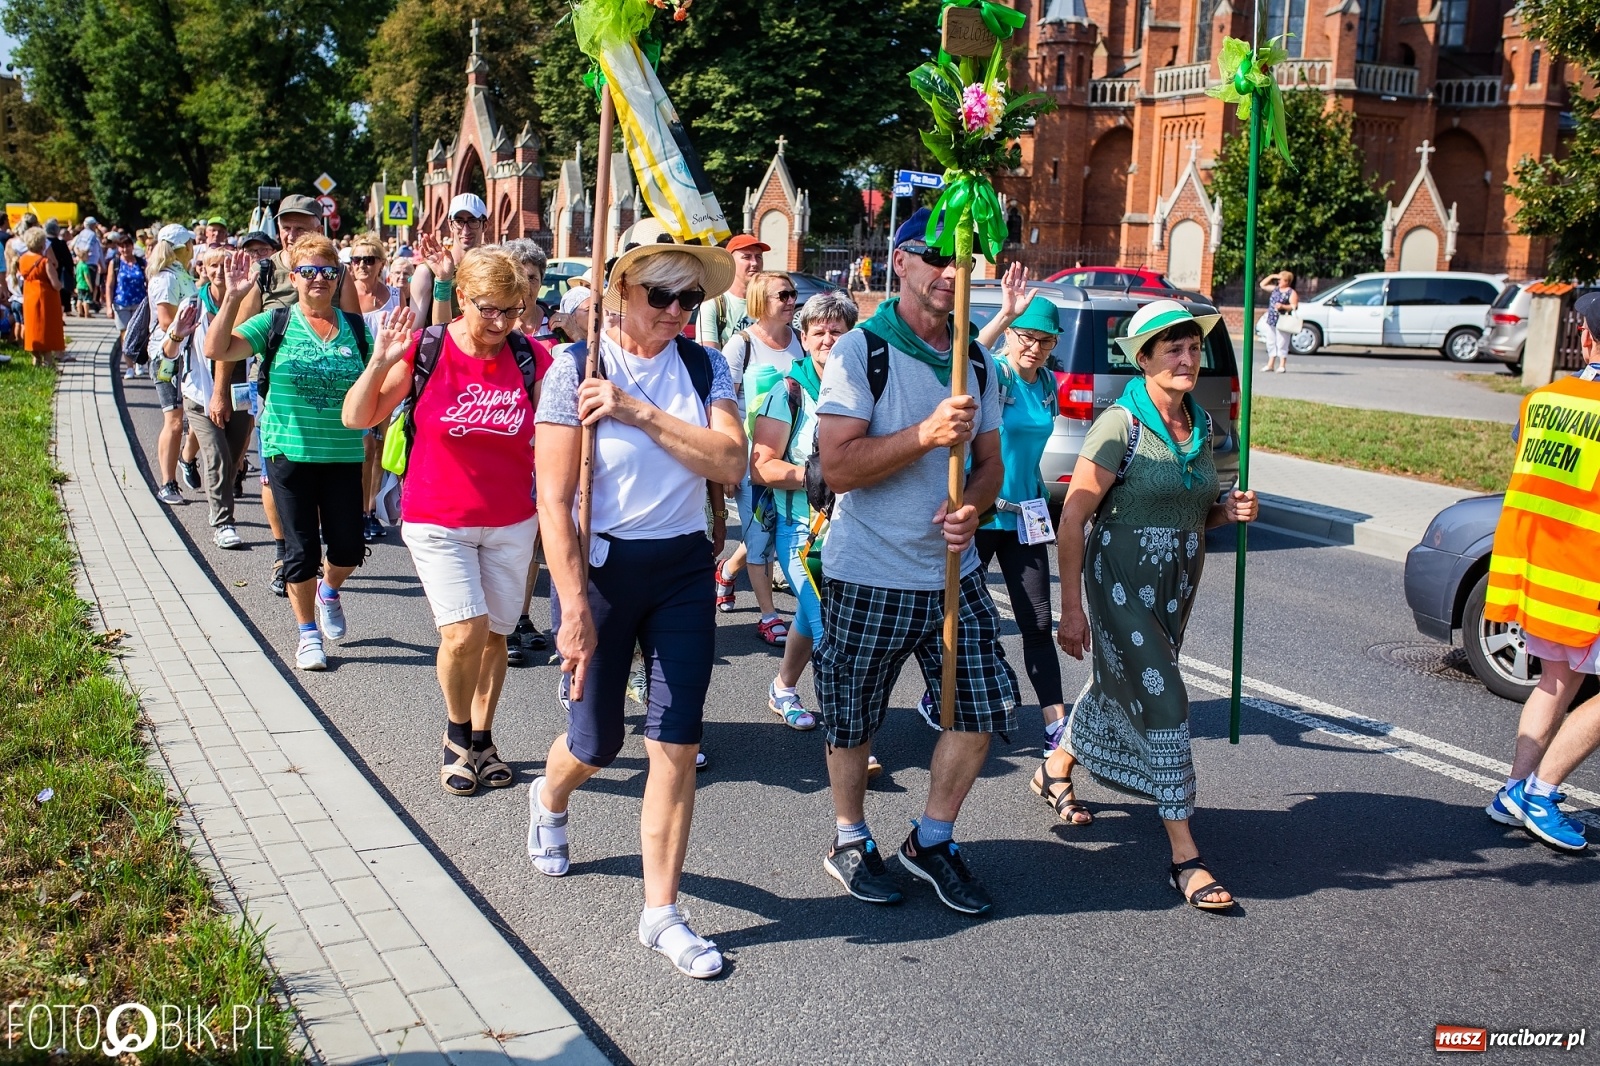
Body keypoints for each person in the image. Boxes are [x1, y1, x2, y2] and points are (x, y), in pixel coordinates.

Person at [527, 242, 745, 980]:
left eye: (691, 300)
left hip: (683, 566)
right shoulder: (573, 368)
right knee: (596, 745)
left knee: (677, 745)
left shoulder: (705, 367)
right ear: (620, 290)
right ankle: (549, 794)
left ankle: (662, 914)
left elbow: (729, 461)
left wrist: (638, 413)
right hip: (601, 570)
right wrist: (574, 608)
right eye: (662, 296)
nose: (677, 312)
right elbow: (554, 503)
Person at [811, 207, 1013, 915]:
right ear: (900, 261)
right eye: (936, 256)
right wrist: (925, 434)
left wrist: (974, 508)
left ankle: (931, 839)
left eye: (965, 259)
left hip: (953, 575)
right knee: (852, 718)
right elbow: (837, 467)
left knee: (982, 709)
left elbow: (990, 466)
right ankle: (849, 838)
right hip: (868, 570)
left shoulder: (977, 357)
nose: (952, 272)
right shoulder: (861, 351)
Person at [1054, 299, 1259, 911]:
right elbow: (1072, 519)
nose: (1187, 358)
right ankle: (1185, 857)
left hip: (1175, 585)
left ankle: (1056, 765)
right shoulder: (1121, 424)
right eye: (1172, 348)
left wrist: (1231, 512)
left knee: (1124, 683)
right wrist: (1071, 607)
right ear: (1142, 359)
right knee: (1166, 700)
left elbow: (1202, 510)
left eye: (1193, 347)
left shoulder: (1203, 426)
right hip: (1118, 580)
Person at [343, 247, 539, 795]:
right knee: (463, 633)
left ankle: (483, 737)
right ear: (462, 301)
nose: (499, 323)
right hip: (437, 517)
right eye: (488, 310)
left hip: (510, 520)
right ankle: (455, 736)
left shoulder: (529, 358)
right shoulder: (427, 351)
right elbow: (357, 417)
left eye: (510, 310)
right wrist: (381, 360)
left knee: (497, 636)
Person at [206, 237, 389, 671]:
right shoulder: (276, 322)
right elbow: (218, 349)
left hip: (344, 455)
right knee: (301, 550)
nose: (318, 280)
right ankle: (308, 635)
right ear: (295, 279)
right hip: (288, 453)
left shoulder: (358, 329)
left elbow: (375, 382)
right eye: (308, 272)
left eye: (327, 272)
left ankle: (330, 589)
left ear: (337, 276)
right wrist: (232, 297)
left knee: (346, 548)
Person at [1482, 291, 1600, 853]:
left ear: (1583, 338)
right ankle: (1542, 793)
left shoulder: (1543, 399)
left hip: (1544, 574)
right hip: (1590, 580)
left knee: (1557, 679)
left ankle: (1512, 791)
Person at [235, 196, 360, 596]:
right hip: (276, 389)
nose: (291, 233)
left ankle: (317, 575)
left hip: (336, 406)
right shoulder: (266, 270)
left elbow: (360, 335)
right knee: (280, 490)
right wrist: (223, 390)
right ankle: (284, 551)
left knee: (345, 543)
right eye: (285, 226)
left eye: (300, 226)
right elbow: (231, 340)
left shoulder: (333, 272)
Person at [750, 289, 858, 732]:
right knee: (829, 626)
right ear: (804, 336)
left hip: (853, 530)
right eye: (819, 331)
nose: (828, 339)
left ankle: (783, 687)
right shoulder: (788, 391)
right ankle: (851, 731)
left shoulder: (862, 388)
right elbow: (761, 468)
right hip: (802, 531)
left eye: (838, 331)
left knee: (810, 620)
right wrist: (815, 475)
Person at [715, 270, 802, 643]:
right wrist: (731, 461)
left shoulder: (802, 340)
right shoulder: (741, 345)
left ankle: (727, 571)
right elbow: (723, 405)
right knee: (761, 533)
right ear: (759, 301)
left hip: (793, 457)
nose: (790, 301)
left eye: (792, 294)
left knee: (767, 533)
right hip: (755, 458)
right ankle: (768, 615)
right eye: (782, 295)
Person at [180, 245, 253, 548]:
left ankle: (218, 500)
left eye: (226, 265)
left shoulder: (249, 302)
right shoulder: (194, 304)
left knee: (233, 460)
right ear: (203, 270)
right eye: (213, 266)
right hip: (200, 392)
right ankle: (223, 522)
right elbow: (168, 350)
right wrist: (174, 335)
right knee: (218, 455)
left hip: (242, 394)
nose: (220, 271)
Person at [349, 233, 403, 543]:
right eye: (356, 260)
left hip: (388, 377)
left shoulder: (394, 295)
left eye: (369, 259)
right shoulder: (344, 295)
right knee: (366, 446)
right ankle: (358, 509)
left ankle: (369, 510)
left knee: (382, 448)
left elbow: (404, 334)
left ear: (381, 263)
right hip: (358, 378)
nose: (362, 265)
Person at [147, 224, 201, 505]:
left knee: (195, 417)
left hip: (185, 353)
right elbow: (168, 320)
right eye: (192, 243)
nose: (195, 247)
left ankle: (185, 458)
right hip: (166, 355)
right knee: (175, 419)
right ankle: (167, 483)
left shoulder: (181, 273)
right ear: (183, 247)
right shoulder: (166, 278)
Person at [411, 193, 490, 327]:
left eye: (473, 221)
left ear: (485, 225)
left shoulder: (492, 270)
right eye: (459, 221)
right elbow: (415, 334)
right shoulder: (427, 272)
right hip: (441, 345)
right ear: (450, 225)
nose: (465, 230)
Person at [694, 233, 765, 349]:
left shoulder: (769, 301)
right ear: (730, 262)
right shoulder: (713, 304)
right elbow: (710, 358)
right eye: (747, 257)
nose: (755, 263)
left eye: (759, 257)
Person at [17, 227, 66, 369]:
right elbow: (56, 284)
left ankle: (36, 361)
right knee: (47, 329)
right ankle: (49, 362)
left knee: (33, 327)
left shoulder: (22, 259)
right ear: (42, 244)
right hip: (45, 299)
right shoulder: (44, 261)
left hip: (29, 297)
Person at [106, 233, 150, 378]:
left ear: (132, 246)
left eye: (127, 246)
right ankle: (129, 366)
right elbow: (110, 285)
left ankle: (139, 363)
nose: (125, 249)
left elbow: (148, 281)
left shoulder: (140, 262)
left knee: (140, 334)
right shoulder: (116, 262)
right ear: (118, 248)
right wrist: (108, 305)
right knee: (125, 335)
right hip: (121, 303)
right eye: (122, 246)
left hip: (140, 303)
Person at [1261, 270, 1299, 373]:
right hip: (1272, 319)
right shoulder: (1276, 290)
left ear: (1287, 281)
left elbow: (1294, 306)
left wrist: (1283, 306)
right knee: (1271, 341)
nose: (1278, 281)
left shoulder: (1291, 292)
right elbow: (1262, 285)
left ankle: (1282, 365)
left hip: (1283, 320)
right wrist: (1272, 276)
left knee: (1282, 342)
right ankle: (1270, 364)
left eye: (1280, 279)